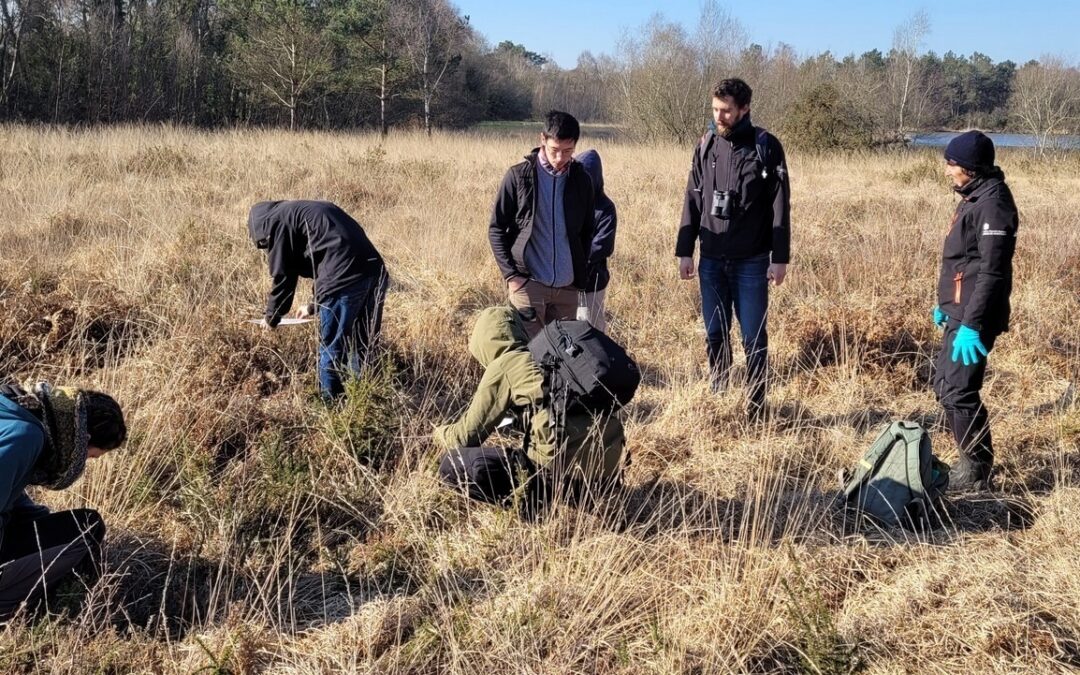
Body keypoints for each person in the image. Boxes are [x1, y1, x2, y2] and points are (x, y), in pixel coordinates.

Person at [433, 307, 625, 516]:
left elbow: (463, 438)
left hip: (555, 474)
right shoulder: (552, 360)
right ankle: (595, 499)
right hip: (607, 471)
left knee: (451, 463)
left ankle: (535, 510)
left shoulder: (505, 364)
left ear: (483, 342)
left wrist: (436, 433)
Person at [675, 78, 791, 420]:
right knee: (714, 332)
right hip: (711, 258)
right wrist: (686, 250)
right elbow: (693, 197)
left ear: (745, 109)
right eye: (715, 109)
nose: (719, 116)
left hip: (752, 262)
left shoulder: (766, 146)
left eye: (726, 111)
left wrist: (780, 257)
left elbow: (780, 205)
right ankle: (719, 392)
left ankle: (756, 405)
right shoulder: (706, 143)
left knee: (753, 336)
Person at [932, 131, 1018, 491]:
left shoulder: (993, 204)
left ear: (970, 166)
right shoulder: (972, 196)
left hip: (975, 315)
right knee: (944, 385)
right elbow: (961, 261)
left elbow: (991, 272)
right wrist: (945, 305)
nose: (948, 169)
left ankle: (976, 470)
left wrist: (971, 322)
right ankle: (970, 459)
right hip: (960, 309)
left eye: (952, 163)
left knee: (960, 391)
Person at [0, 382, 126, 622]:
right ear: (81, 440)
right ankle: (66, 610)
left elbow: (10, 494)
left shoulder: (12, 412)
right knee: (88, 527)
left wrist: (41, 525)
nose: (83, 464)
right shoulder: (25, 436)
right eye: (89, 457)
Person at [248, 200, 387, 400]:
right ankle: (367, 399)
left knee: (332, 349)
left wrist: (271, 317)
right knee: (365, 343)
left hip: (345, 279)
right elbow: (330, 252)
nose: (266, 247)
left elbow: (284, 276)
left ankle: (332, 406)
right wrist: (313, 306)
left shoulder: (277, 222)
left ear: (260, 228)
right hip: (375, 272)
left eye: (264, 243)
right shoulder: (302, 212)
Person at [489, 111, 596, 338]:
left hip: (568, 288)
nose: (560, 158)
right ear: (542, 140)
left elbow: (588, 231)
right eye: (554, 150)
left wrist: (579, 276)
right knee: (532, 355)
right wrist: (512, 276)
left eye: (567, 151)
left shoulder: (582, 180)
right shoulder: (518, 176)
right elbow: (496, 228)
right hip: (529, 285)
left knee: (565, 359)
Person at [576, 149, 618, 333]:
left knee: (591, 329)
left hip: (591, 282)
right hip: (564, 282)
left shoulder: (606, 209)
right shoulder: (570, 201)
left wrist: (576, 260)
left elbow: (602, 246)